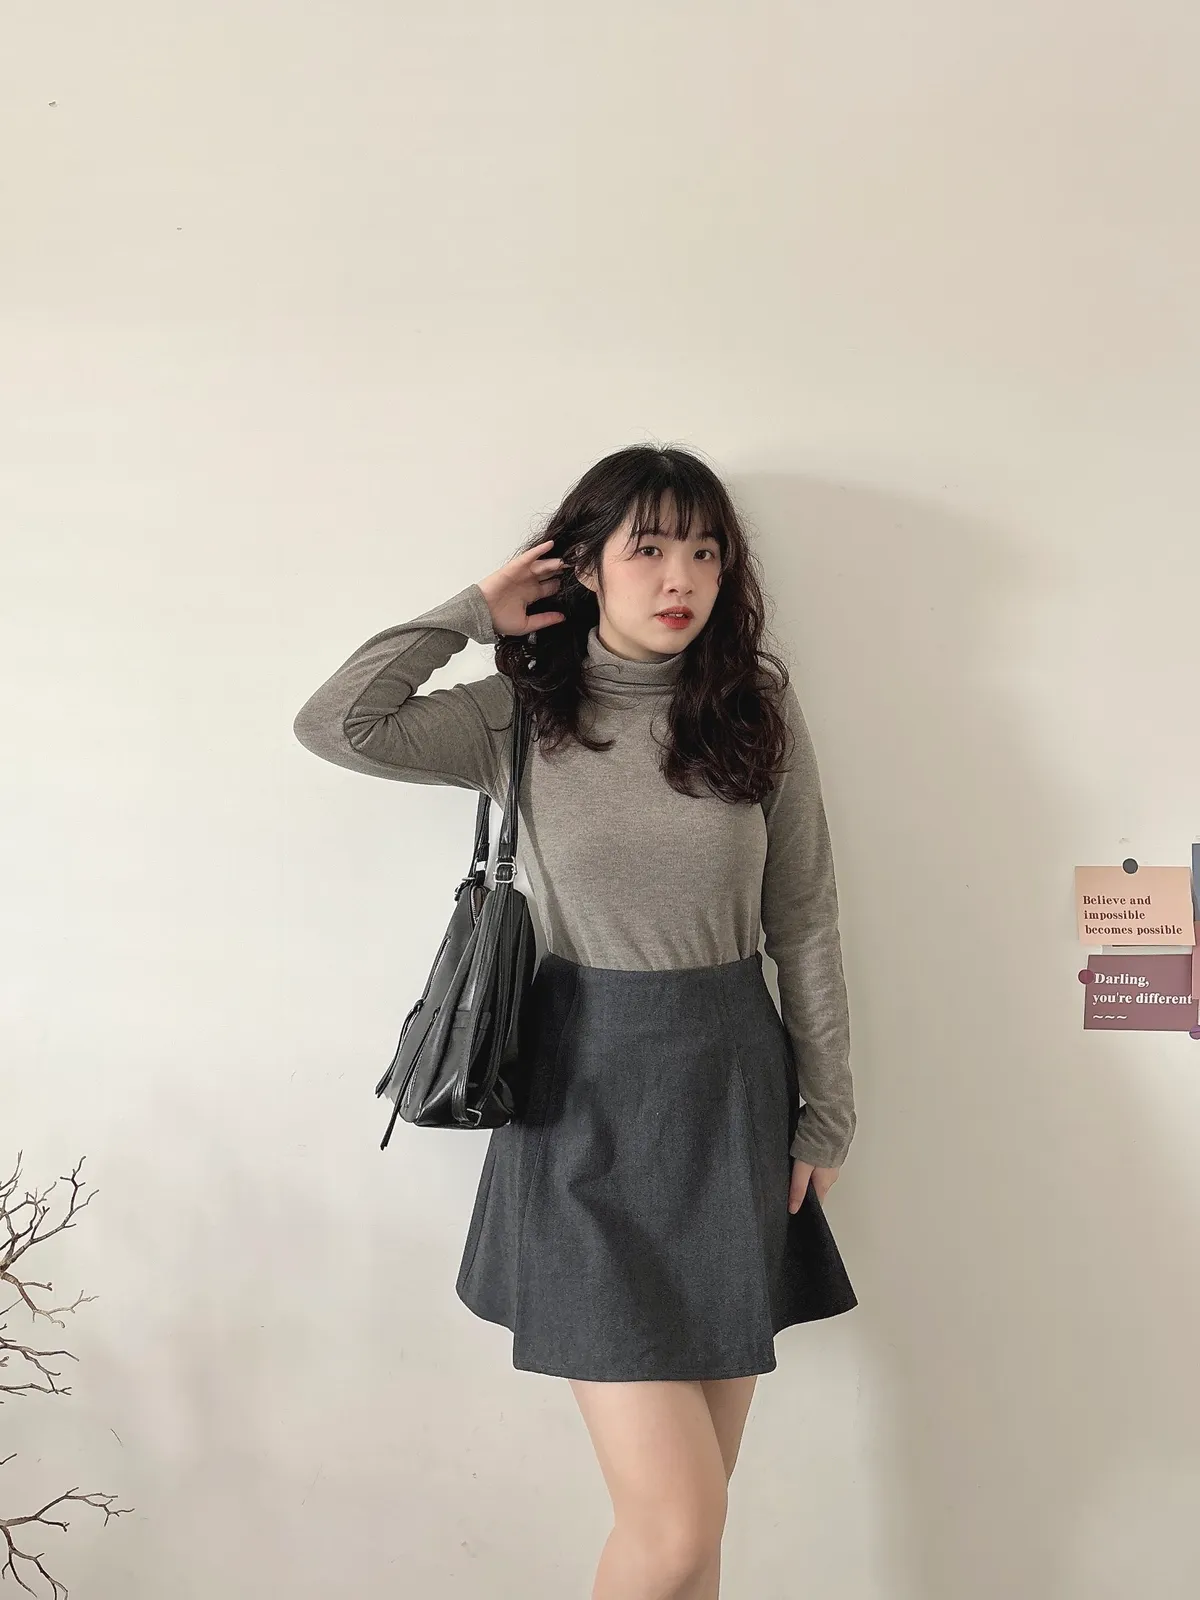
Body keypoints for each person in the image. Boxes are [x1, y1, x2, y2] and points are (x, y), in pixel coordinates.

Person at [293, 443, 858, 1600]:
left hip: (732, 1103)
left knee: (695, 1533)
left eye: (704, 551)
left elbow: (802, 915)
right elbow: (339, 723)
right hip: (580, 1111)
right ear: (583, 567)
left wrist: (828, 1112)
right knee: (675, 1527)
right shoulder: (520, 713)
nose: (680, 577)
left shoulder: (754, 708)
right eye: (647, 549)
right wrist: (472, 610)